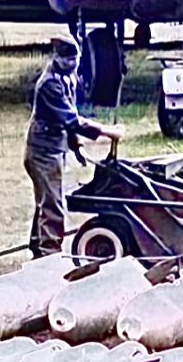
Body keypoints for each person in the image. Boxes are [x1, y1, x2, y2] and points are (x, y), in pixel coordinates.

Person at [25, 33, 124, 257]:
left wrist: (76, 145)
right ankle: (49, 255)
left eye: (75, 60)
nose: (73, 64)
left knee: (46, 200)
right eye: (68, 60)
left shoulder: (66, 77)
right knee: (53, 205)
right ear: (58, 58)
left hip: (54, 148)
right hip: (43, 151)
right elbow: (71, 120)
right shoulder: (49, 83)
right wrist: (108, 132)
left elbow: (70, 117)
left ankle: (37, 246)